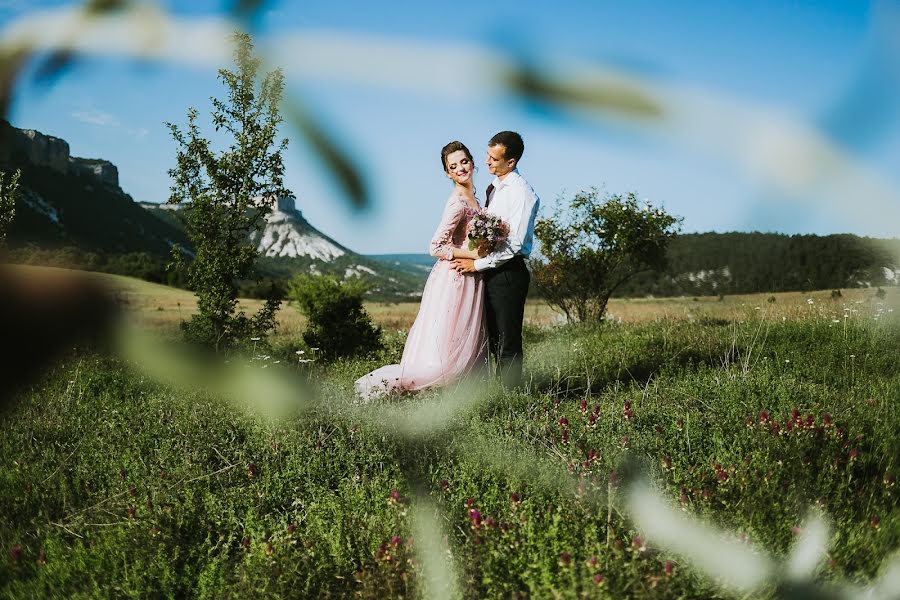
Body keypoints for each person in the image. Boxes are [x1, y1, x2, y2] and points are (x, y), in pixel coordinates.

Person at [354, 141, 488, 401]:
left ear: (473, 162)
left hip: (471, 274)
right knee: (448, 340)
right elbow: (436, 246)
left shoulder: (474, 197)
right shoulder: (457, 203)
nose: (461, 168)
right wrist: (472, 254)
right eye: (453, 166)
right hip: (455, 277)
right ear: (447, 173)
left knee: (463, 337)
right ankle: (406, 386)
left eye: (464, 162)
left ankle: (462, 393)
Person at [452, 131, 539, 387]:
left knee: (507, 340)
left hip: (508, 274)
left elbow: (515, 245)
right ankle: (496, 392)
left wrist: (476, 264)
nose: (487, 162)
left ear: (511, 162)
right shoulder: (496, 188)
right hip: (490, 271)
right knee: (492, 338)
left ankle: (510, 398)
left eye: (494, 158)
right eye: (487, 156)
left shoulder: (522, 194)